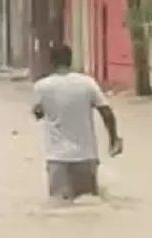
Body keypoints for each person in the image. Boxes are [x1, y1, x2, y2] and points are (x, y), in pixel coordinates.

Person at [32, 44, 123, 203]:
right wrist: (114, 139)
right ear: (71, 61)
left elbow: (38, 113)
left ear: (51, 62)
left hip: (57, 159)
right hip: (85, 156)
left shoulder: (41, 87)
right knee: (89, 206)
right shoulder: (87, 83)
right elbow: (106, 112)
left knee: (59, 206)